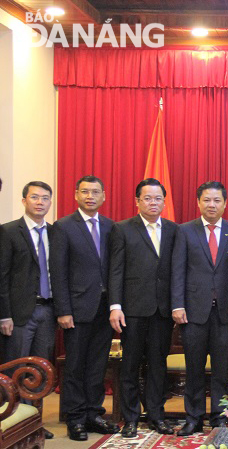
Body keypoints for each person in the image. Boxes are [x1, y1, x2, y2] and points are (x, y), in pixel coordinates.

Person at [171, 181, 228, 436]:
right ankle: (193, 418)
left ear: (225, 203)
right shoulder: (185, 231)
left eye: (217, 200)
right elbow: (178, 271)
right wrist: (177, 304)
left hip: (224, 311)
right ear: (198, 202)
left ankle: (219, 416)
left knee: (221, 367)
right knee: (193, 367)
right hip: (192, 311)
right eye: (207, 200)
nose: (212, 205)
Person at [50, 175, 118, 441]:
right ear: (76, 195)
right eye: (85, 192)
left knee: (98, 365)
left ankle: (93, 413)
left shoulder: (112, 227)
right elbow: (58, 271)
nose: (90, 196)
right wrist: (63, 310)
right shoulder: (64, 227)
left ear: (104, 196)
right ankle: (75, 418)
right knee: (76, 365)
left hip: (104, 308)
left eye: (96, 192)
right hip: (76, 309)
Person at [108, 179, 178, 438]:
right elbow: (115, 270)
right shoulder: (123, 229)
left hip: (162, 310)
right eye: (147, 198)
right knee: (130, 365)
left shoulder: (173, 230)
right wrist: (115, 306)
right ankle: (131, 419)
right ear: (137, 201)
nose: (153, 202)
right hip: (133, 310)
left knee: (158, 365)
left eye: (157, 198)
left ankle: (157, 416)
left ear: (164, 201)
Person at [0, 181, 56, 439]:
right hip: (19, 314)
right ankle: (11, 423)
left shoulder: (56, 233)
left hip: (47, 311)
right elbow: (2, 276)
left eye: (45, 198)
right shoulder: (9, 231)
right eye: (35, 197)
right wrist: (4, 314)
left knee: (40, 373)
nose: (40, 202)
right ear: (24, 200)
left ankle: (34, 424)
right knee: (16, 371)